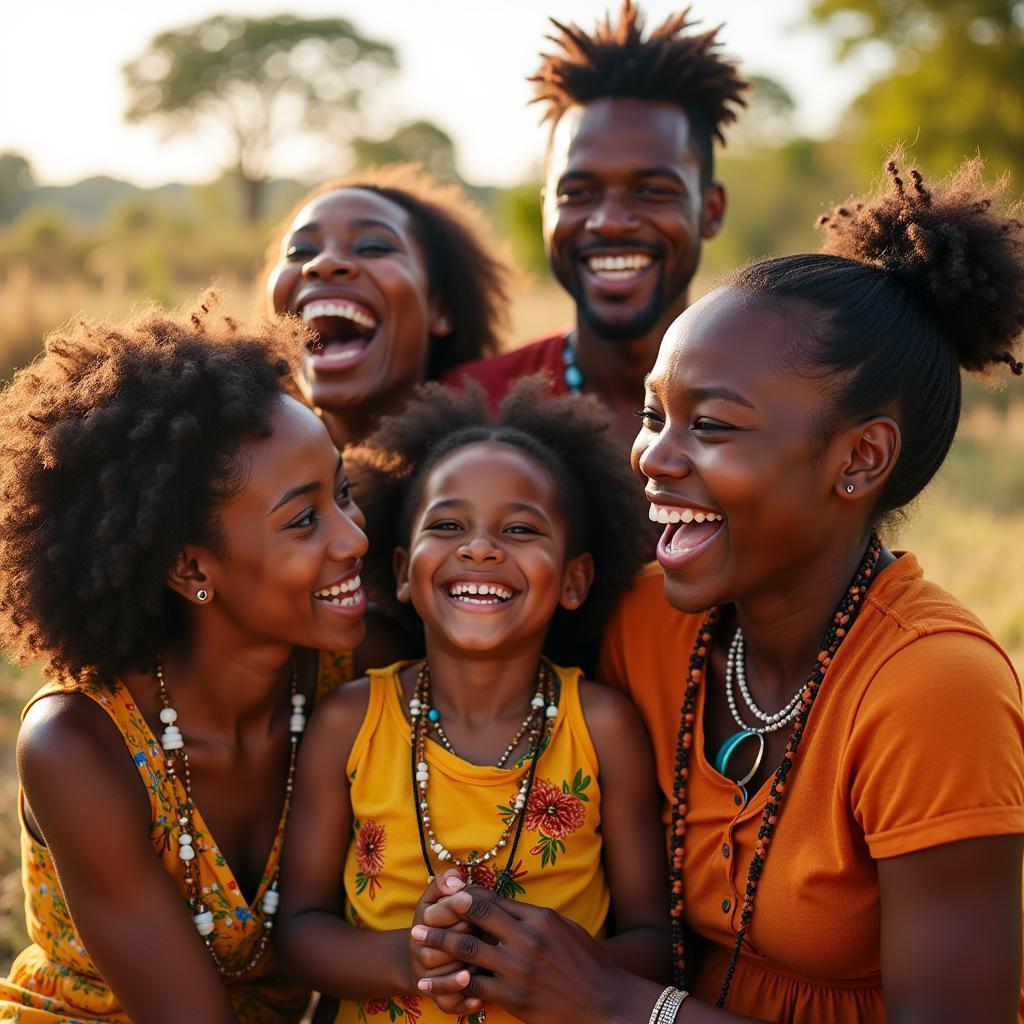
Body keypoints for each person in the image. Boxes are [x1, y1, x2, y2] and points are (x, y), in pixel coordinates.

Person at [408, 156, 1024, 1023]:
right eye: (656, 415)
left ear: (860, 459)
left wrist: (624, 1006)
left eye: (711, 426)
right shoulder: (651, 623)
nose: (653, 456)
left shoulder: (934, 689)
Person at [0, 303, 369, 1023]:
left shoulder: (350, 673)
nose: (352, 538)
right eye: (304, 519)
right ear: (189, 566)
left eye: (344, 491)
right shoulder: (80, 745)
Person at [276, 377, 667, 1024]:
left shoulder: (601, 728)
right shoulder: (350, 723)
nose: (481, 547)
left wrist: (547, 968)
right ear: (402, 572)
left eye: (519, 528)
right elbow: (299, 933)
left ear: (574, 580)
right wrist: (410, 960)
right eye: (449, 524)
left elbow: (656, 944)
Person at [443, 1, 748, 451]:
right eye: (578, 193)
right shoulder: (466, 407)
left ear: (711, 210)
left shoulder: (774, 407)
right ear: (547, 208)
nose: (609, 222)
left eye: (652, 190)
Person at [265, 164, 511, 451]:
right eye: (299, 251)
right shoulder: (231, 473)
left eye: (372, 246)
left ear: (440, 310)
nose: (324, 263)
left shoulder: (491, 469)